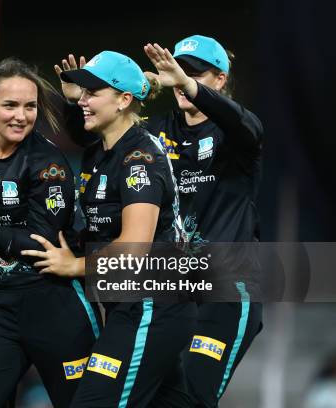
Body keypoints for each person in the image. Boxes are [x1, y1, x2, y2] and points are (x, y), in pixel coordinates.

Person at [22, 50, 196, 407]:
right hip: (129, 304)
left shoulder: (139, 159)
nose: (82, 101)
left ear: (123, 100)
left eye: (92, 93)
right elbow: (79, 122)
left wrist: (74, 265)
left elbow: (134, 248)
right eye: (82, 93)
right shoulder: (101, 150)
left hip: (153, 304)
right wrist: (80, 96)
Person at [0, 57, 101, 408]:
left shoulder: (49, 163)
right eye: (10, 105)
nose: (21, 116)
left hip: (55, 306)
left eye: (30, 106)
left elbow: (40, 244)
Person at [143, 35, 263, 407]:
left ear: (220, 80)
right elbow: (101, 135)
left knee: (193, 395)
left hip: (227, 289)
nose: (181, 80)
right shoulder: (157, 130)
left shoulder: (237, 132)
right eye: (177, 70)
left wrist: (189, 87)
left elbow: (243, 123)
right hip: (171, 289)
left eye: (195, 73)